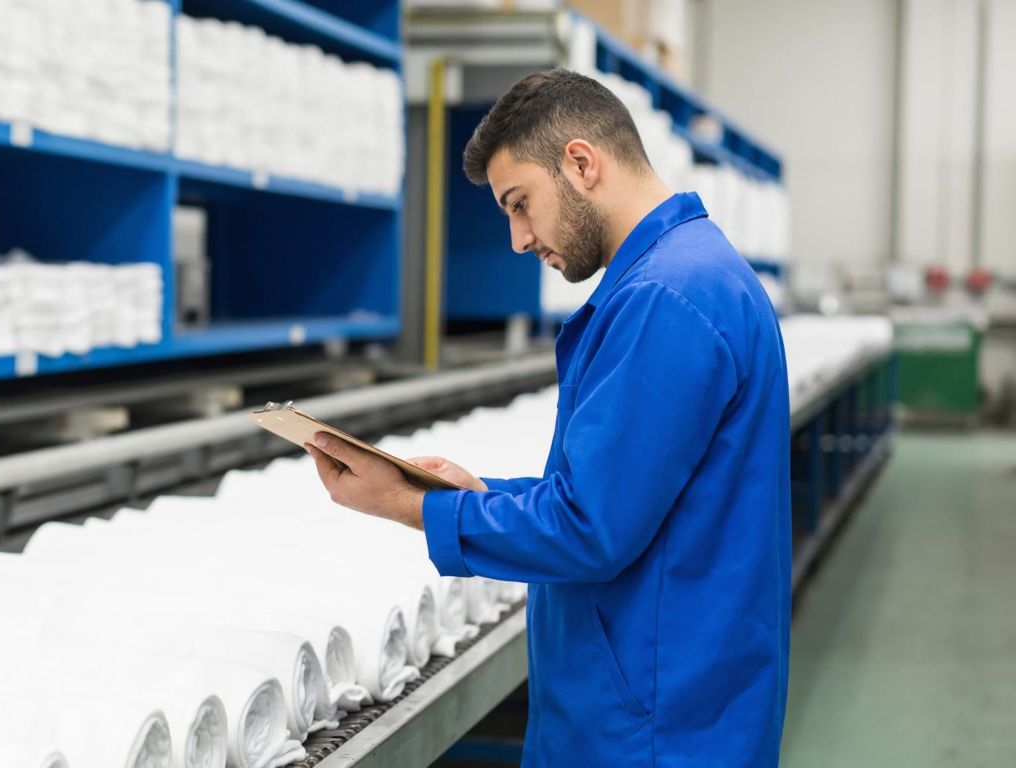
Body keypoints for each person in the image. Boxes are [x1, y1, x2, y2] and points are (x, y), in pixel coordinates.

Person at [304, 69, 791, 766]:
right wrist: (480, 497)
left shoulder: (667, 299)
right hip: (667, 706)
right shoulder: (686, 276)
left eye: (520, 203)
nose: (518, 237)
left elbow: (590, 530)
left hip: (652, 732)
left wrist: (414, 507)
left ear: (582, 165)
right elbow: (616, 496)